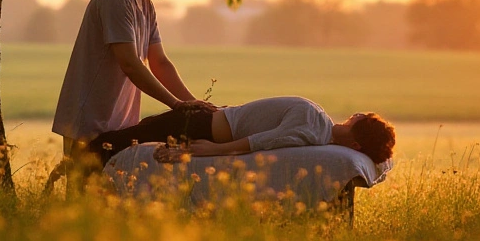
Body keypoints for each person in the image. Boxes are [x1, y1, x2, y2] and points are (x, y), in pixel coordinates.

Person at [51, 0, 215, 164]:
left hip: (120, 124)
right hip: (89, 122)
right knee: (84, 196)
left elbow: (160, 62)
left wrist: (192, 105)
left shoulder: (146, 6)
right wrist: (176, 106)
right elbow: (130, 63)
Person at [88, 96, 397, 167]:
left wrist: (210, 149)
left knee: (115, 142)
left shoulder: (312, 125)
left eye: (362, 118)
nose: (356, 113)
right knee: (127, 137)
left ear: (356, 143)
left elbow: (262, 141)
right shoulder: (318, 126)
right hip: (205, 116)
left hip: (200, 125)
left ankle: (77, 169)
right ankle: (74, 171)